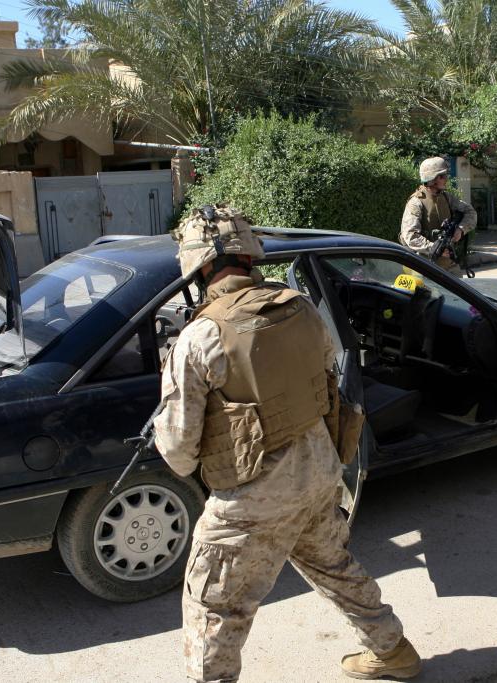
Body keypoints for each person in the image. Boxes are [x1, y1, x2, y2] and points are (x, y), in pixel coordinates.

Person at [154, 205, 420, 682]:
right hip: (319, 470)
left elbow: (177, 453)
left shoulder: (198, 338)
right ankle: (393, 650)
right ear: (249, 257)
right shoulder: (299, 307)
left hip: (252, 497)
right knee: (334, 566)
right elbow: (326, 382)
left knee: (214, 606)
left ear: (200, 268)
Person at [400, 156, 477, 276]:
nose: (446, 179)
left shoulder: (446, 198)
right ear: (431, 179)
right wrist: (434, 248)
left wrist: (461, 229)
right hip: (425, 266)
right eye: (442, 176)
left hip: (448, 265)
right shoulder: (416, 202)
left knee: (460, 292)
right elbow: (410, 235)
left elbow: (470, 212)